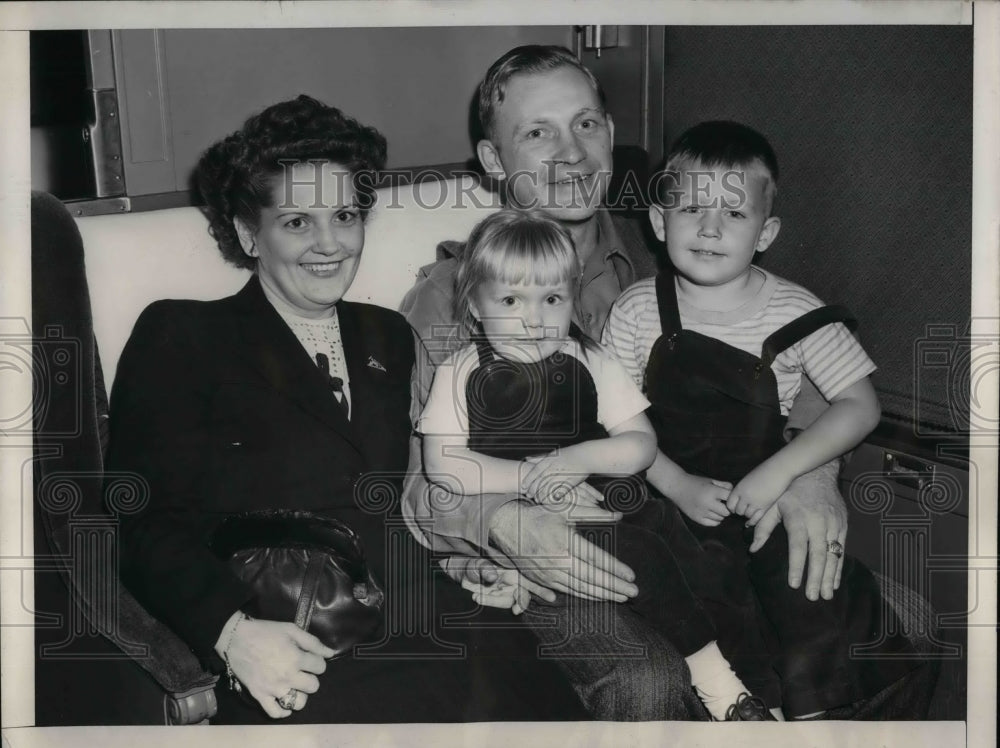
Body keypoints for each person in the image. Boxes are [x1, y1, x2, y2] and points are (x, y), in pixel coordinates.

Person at [400, 44, 851, 720]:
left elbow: (807, 374)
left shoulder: (673, 249)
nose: (572, 154)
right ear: (495, 163)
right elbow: (420, 487)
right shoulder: (450, 297)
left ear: (611, 134)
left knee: (863, 622)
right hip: (549, 546)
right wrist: (507, 521)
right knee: (648, 678)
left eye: (586, 124)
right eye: (537, 132)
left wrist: (815, 477)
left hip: (692, 516)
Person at [108, 94, 588, 724]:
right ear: (251, 233)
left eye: (344, 214)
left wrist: (464, 562)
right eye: (298, 222)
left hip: (435, 620)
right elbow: (139, 522)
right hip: (296, 643)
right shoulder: (183, 333)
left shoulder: (386, 333)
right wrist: (232, 635)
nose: (330, 244)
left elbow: (398, 495)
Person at [603, 120, 919, 718]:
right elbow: (615, 421)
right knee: (692, 588)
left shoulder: (799, 311)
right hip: (670, 494)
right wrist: (675, 483)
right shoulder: (636, 308)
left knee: (809, 587)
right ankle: (750, 706)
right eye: (692, 207)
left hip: (767, 491)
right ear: (657, 221)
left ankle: (811, 712)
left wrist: (783, 475)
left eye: (735, 214)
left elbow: (860, 406)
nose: (711, 227)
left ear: (766, 232)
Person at [419, 208, 778, 721]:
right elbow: (444, 464)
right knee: (647, 558)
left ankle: (761, 689)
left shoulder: (590, 359)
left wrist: (575, 458)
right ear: (474, 306)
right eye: (510, 300)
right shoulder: (460, 371)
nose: (533, 318)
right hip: (541, 526)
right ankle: (719, 687)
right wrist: (529, 478)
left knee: (707, 566)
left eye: (551, 299)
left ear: (571, 297)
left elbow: (640, 445)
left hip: (612, 502)